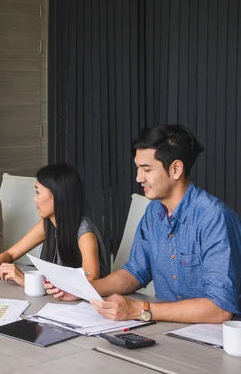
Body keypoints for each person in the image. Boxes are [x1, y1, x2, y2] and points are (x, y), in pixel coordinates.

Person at [46, 124, 241, 324]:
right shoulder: (153, 212)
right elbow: (135, 273)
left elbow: (220, 309)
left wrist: (139, 309)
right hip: (168, 328)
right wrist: (83, 290)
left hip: (215, 339)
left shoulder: (215, 218)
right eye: (137, 169)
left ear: (175, 169)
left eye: (146, 169)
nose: (139, 178)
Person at [0, 163, 109, 286]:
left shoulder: (85, 233)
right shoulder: (48, 224)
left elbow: (90, 279)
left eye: (38, 192)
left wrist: (28, 281)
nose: (34, 199)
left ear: (57, 196)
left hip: (87, 303)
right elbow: (10, 254)